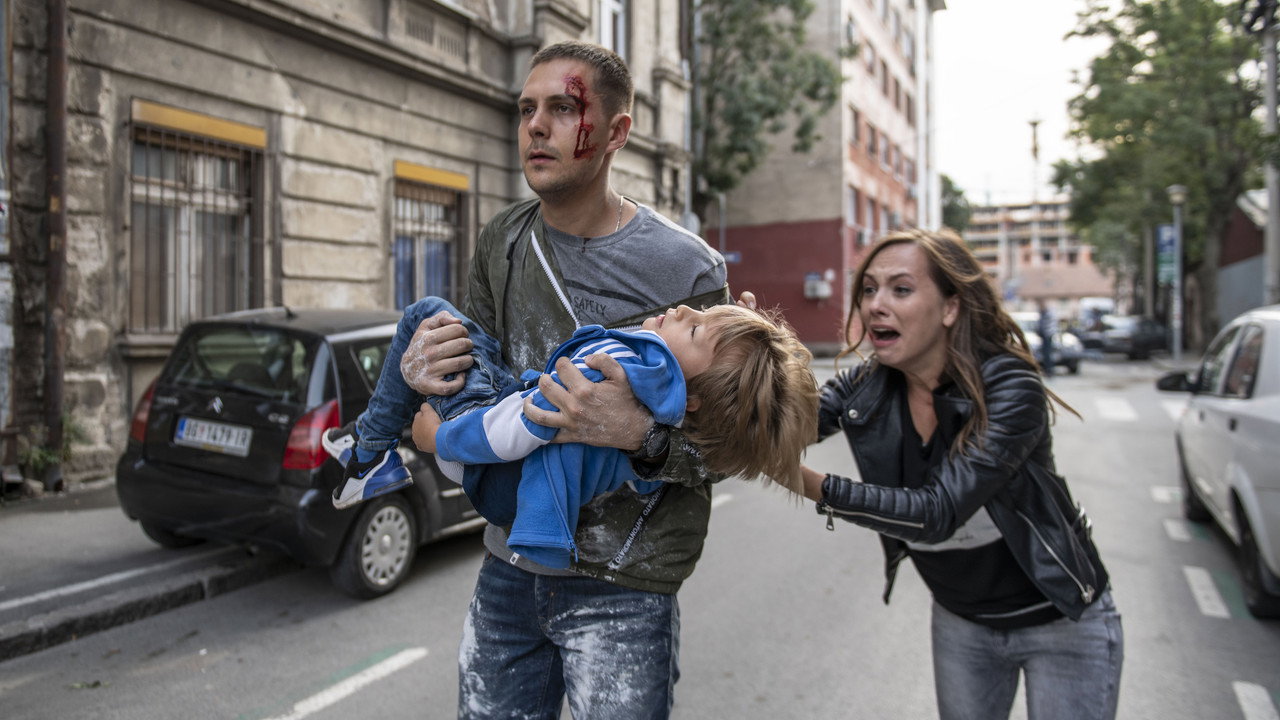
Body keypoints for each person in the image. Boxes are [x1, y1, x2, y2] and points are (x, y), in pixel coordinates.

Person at [401, 41, 755, 718]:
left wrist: (639, 434)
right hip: (509, 563)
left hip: (626, 583)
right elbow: (474, 376)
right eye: (526, 109)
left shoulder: (687, 270)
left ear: (617, 132)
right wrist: (427, 378)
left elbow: (732, 447)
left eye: (563, 108)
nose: (536, 126)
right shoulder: (503, 238)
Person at [797, 229, 1123, 720]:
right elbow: (783, 425)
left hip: (1061, 623)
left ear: (950, 307)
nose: (876, 305)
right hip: (961, 622)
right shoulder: (866, 384)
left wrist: (804, 481)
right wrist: (744, 351)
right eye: (868, 290)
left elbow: (937, 513)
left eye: (901, 289)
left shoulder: (1009, 384)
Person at [403, 299, 815, 569]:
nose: (686, 309)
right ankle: (373, 447)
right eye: (703, 312)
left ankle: (372, 446)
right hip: (507, 529)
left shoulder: (611, 371)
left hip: (485, 457)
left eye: (695, 329)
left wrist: (440, 439)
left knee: (428, 309)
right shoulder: (661, 399)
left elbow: (526, 418)